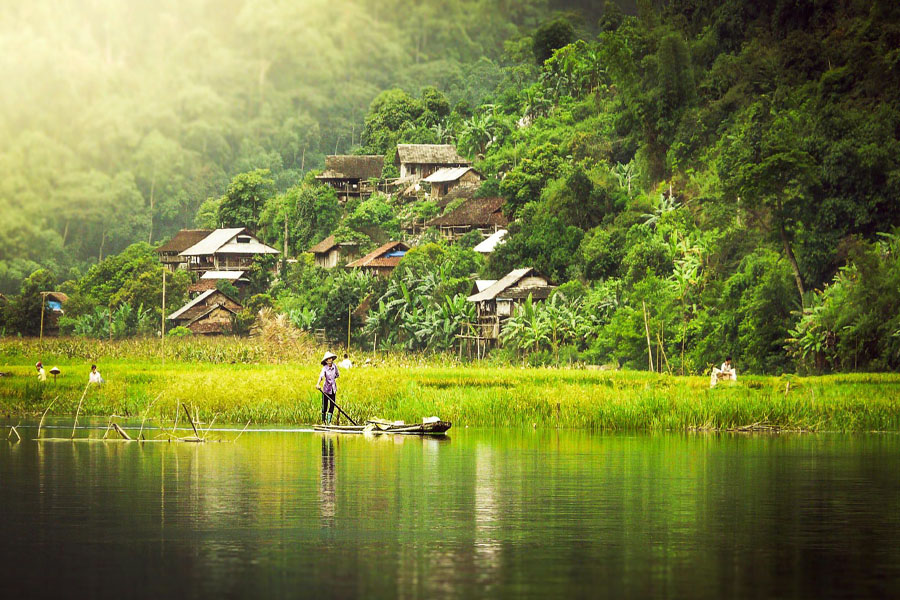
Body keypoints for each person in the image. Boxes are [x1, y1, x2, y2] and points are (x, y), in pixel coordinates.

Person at [316, 352, 340, 425]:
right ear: (326, 361)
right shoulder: (325, 368)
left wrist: (333, 379)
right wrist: (318, 384)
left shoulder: (334, 366)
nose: (330, 360)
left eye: (331, 359)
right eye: (328, 359)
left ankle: (329, 422)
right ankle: (323, 422)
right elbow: (321, 376)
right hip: (326, 389)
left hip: (333, 389)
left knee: (332, 406)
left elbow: (337, 375)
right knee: (325, 406)